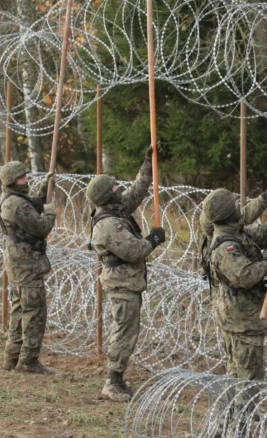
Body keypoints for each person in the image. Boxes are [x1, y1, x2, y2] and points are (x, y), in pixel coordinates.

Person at [202, 186, 267, 431]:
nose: (240, 208)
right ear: (228, 213)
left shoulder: (236, 233)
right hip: (241, 321)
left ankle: (227, 423)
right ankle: (239, 427)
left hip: (241, 318)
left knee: (238, 374)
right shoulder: (225, 246)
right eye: (236, 205)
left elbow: (266, 233)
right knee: (248, 379)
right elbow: (244, 276)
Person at [87, 145, 165, 402]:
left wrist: (148, 163)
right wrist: (153, 239)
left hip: (128, 282)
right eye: (114, 188)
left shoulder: (116, 208)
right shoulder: (109, 224)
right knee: (124, 331)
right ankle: (113, 382)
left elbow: (138, 191)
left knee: (127, 330)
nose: (118, 189)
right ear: (107, 196)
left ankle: (117, 378)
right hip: (122, 285)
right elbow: (134, 251)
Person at [0, 161, 56, 374]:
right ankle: (28, 360)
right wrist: (50, 213)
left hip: (18, 263)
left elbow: (34, 204)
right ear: (13, 181)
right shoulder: (15, 204)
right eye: (22, 178)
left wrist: (46, 188)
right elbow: (40, 227)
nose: (26, 180)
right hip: (26, 263)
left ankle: (11, 357)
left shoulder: (13, 199)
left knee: (20, 308)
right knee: (34, 310)